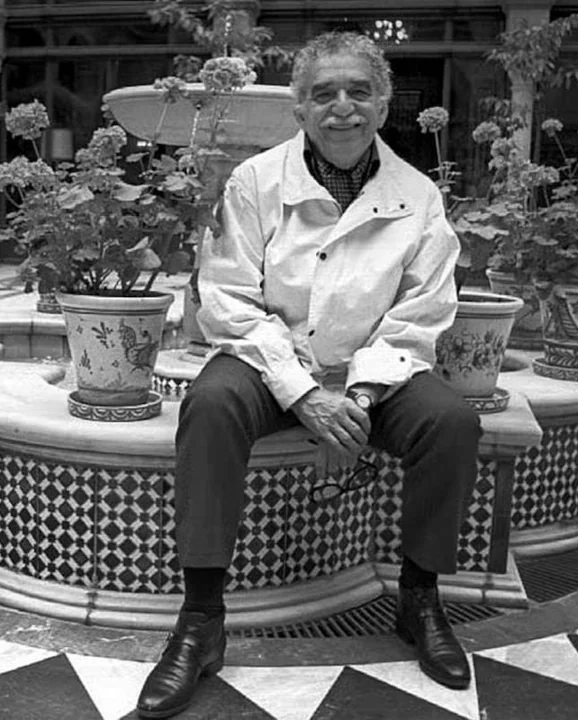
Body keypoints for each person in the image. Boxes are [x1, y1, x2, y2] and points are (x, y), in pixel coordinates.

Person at [136, 31, 481, 719]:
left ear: (385, 105)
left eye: (359, 91)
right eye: (323, 94)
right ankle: (201, 619)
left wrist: (356, 391)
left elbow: (420, 313)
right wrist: (301, 390)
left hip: (373, 372)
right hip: (268, 363)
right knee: (208, 406)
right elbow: (228, 297)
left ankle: (420, 597)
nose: (342, 107)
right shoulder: (255, 181)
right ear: (299, 109)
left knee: (451, 421)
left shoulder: (418, 196)